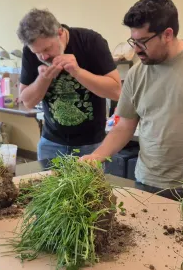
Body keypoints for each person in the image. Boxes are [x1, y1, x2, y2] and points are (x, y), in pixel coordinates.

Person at [82, 0, 183, 197]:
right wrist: (97, 156)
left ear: (167, 34)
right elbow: (124, 125)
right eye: (133, 41)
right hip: (147, 181)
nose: (136, 50)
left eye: (142, 42)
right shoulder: (136, 73)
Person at [17, 9, 121, 160]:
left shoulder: (90, 41)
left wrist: (78, 72)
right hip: (50, 143)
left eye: (47, 49)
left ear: (59, 33)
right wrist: (43, 79)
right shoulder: (29, 51)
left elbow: (116, 91)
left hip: (92, 145)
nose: (44, 56)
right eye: (37, 53)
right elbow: (27, 101)